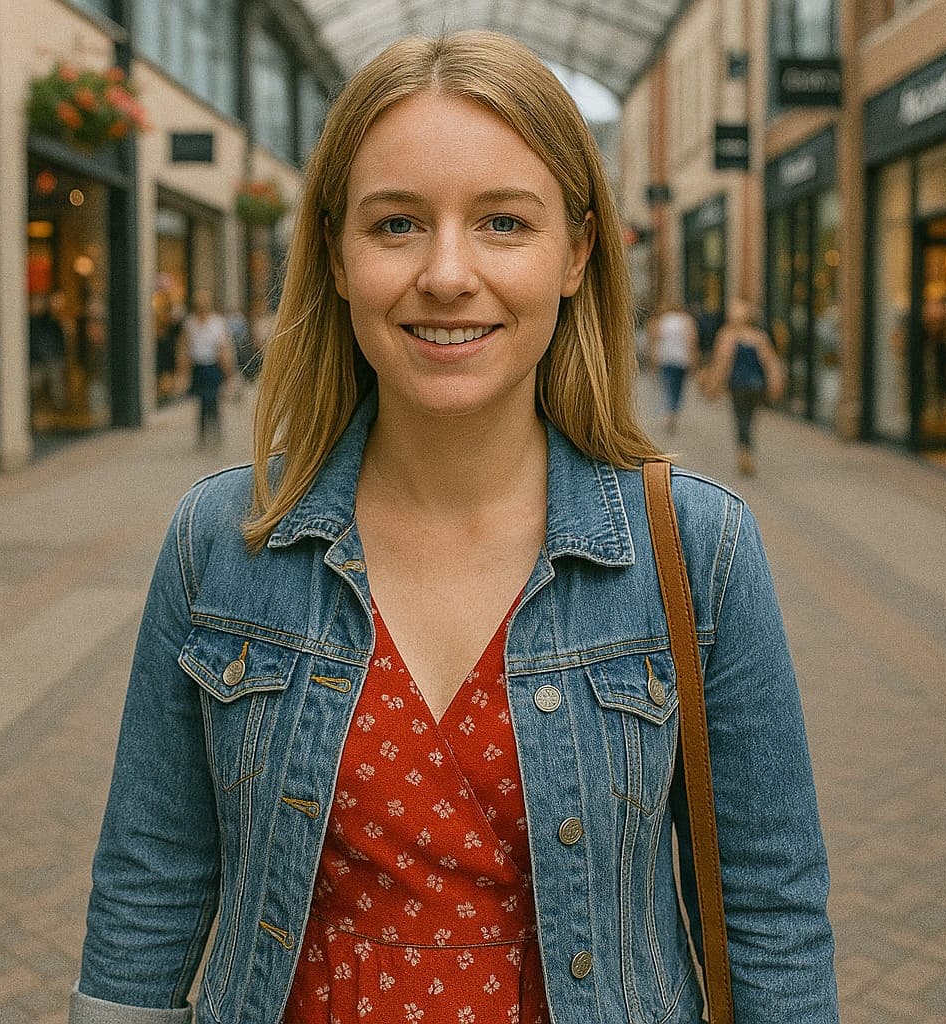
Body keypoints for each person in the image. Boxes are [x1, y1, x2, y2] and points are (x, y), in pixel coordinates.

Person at [71, 31, 838, 1024]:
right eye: (395, 223)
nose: (445, 272)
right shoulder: (224, 539)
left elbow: (768, 907)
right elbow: (152, 883)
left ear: (576, 253)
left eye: (502, 223)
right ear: (338, 256)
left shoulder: (695, 551)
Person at [708, 298, 785, 477]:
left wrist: (715, 385)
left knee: (740, 418)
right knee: (750, 419)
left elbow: (723, 363)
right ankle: (748, 450)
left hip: (738, 384)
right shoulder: (759, 337)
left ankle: (744, 452)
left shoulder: (728, 336)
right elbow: (770, 362)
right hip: (757, 385)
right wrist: (775, 384)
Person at [177, 289, 235, 446]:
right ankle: (203, 435)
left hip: (213, 366)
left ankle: (216, 431)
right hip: (199, 366)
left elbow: (224, 347)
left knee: (213, 399)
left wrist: (228, 373)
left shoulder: (217, 322)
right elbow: (184, 347)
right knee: (202, 401)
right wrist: (183, 372)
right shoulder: (190, 323)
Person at [647, 300, 699, 434]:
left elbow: (654, 338)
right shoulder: (686, 320)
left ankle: (668, 411)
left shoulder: (663, 319)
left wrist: (653, 358)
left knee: (668, 386)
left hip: (666, 358)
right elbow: (691, 341)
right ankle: (672, 412)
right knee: (678, 388)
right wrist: (694, 360)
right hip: (681, 359)